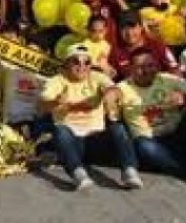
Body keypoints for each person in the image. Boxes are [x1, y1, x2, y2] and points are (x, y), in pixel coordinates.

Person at [39, 44, 141, 190]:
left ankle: (130, 172)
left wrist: (110, 93)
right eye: (76, 62)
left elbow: (114, 89)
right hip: (72, 141)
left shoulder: (97, 77)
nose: (82, 66)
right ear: (66, 63)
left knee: (118, 128)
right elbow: (42, 106)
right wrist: (56, 102)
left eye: (86, 62)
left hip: (96, 139)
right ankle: (78, 174)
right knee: (60, 131)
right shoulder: (56, 81)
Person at [115, 48, 186, 183]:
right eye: (140, 67)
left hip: (177, 135)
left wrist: (185, 98)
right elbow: (109, 97)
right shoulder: (122, 88)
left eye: (150, 65)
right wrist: (109, 94)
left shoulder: (167, 79)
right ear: (130, 69)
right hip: (151, 142)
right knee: (143, 145)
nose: (146, 70)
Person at [108, 11, 178, 81]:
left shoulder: (157, 45)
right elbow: (112, 79)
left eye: (133, 27)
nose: (129, 33)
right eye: (124, 28)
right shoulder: (115, 53)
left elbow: (174, 68)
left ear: (141, 27)